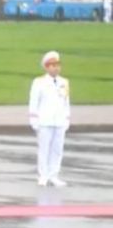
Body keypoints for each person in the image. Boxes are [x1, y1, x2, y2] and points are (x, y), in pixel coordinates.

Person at [28, 51, 70, 187]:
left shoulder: (64, 82)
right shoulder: (39, 82)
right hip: (44, 120)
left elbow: (66, 102)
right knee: (44, 149)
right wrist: (33, 120)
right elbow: (33, 102)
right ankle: (43, 175)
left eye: (57, 65)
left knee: (57, 149)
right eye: (52, 65)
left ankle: (54, 175)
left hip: (59, 121)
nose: (56, 68)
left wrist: (67, 119)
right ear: (46, 67)